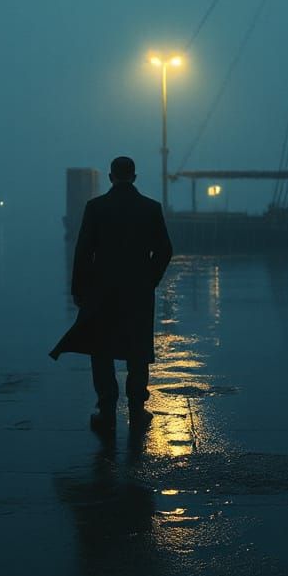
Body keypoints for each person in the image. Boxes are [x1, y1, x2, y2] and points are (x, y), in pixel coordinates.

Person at [50, 156, 173, 432]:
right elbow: (164, 250)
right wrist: (149, 280)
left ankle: (106, 410)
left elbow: (83, 252)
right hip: (138, 291)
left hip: (102, 289)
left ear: (110, 177)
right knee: (137, 349)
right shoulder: (150, 208)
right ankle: (137, 410)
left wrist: (79, 290)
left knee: (101, 347)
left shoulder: (96, 207)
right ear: (134, 177)